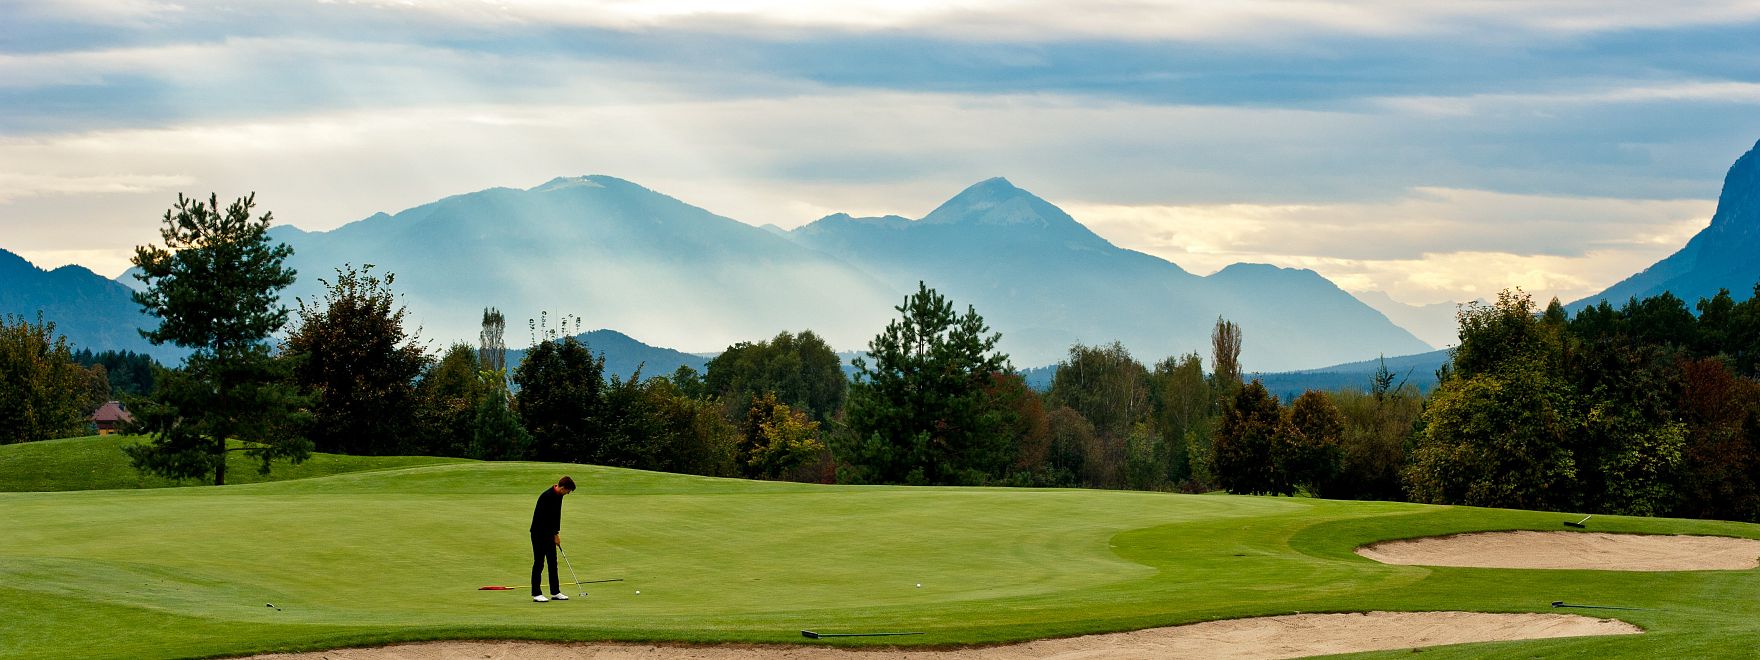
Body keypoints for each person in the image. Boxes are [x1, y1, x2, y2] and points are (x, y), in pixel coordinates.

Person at [529, 475, 575, 602]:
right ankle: (536, 593)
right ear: (563, 488)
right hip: (538, 533)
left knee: (553, 563)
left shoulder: (559, 496)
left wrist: (556, 533)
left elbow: (556, 516)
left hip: (549, 533)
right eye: (568, 491)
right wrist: (554, 535)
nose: (568, 493)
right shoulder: (547, 497)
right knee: (539, 562)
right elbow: (544, 519)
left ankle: (555, 592)